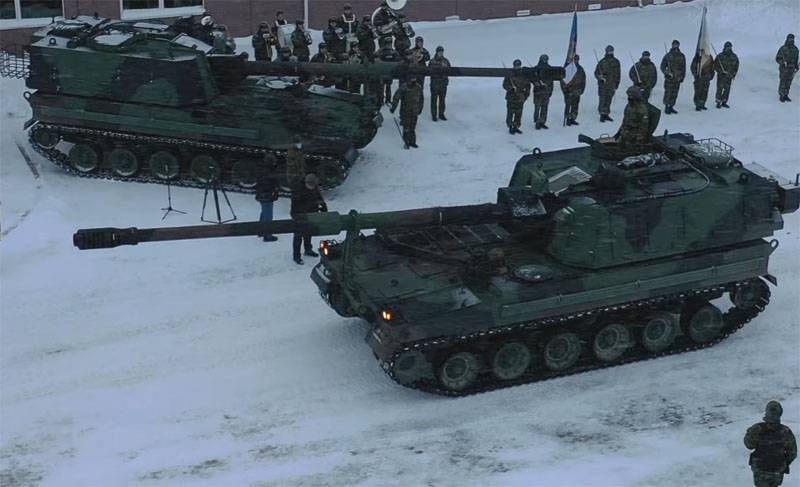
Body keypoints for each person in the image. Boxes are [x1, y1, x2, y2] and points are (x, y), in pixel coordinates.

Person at [744, 401, 796, 487]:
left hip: (760, 470)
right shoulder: (786, 431)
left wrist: (750, 433)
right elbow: (793, 453)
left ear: (767, 412)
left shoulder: (757, 428)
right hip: (777, 471)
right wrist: (783, 463)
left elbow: (749, 445)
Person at [291, 174, 327, 265]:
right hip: (299, 215)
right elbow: (295, 206)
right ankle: (296, 256)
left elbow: (320, 199)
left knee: (308, 232)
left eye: (313, 186)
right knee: (298, 236)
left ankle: (308, 249)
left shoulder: (314, 188)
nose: (312, 187)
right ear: (306, 183)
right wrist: (298, 216)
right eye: (310, 185)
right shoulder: (298, 190)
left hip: (312, 214)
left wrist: (323, 207)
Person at [617, 86, 651, 154]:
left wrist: (639, 139)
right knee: (620, 146)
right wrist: (619, 131)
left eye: (631, 97)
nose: (629, 98)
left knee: (631, 151)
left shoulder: (642, 109)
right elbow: (625, 120)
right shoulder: (629, 106)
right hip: (626, 131)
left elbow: (643, 127)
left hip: (635, 134)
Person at [390, 78, 423, 149]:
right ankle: (406, 142)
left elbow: (421, 99)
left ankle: (412, 142)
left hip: (415, 111)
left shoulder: (418, 87)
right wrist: (393, 108)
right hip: (405, 111)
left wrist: (420, 108)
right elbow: (396, 97)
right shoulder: (404, 87)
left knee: (413, 127)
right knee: (406, 127)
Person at [255, 155, 279, 242]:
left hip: (262, 194)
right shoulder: (269, 172)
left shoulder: (262, 170)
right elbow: (269, 184)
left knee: (264, 212)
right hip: (267, 195)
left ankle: (261, 230)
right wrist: (274, 191)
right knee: (268, 215)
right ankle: (267, 234)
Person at [503, 59, 531, 134]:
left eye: (518, 66)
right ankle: (510, 126)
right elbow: (505, 85)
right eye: (516, 66)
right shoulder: (509, 75)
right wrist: (511, 89)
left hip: (520, 98)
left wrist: (526, 95)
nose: (517, 67)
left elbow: (528, 86)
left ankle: (516, 126)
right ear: (514, 66)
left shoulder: (524, 75)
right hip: (511, 97)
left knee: (518, 114)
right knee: (510, 113)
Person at [594, 45, 621, 122]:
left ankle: (606, 114)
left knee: (609, 99)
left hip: (612, 84)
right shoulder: (602, 62)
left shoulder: (616, 62)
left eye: (611, 51)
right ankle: (602, 114)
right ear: (606, 51)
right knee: (603, 99)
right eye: (609, 51)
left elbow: (618, 73)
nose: (610, 52)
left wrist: (617, 83)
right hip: (603, 85)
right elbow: (596, 73)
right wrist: (600, 77)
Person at [660, 40, 686, 114]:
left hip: (677, 78)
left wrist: (682, 77)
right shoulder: (668, 56)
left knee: (675, 93)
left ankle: (671, 106)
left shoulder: (682, 56)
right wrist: (667, 73)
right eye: (674, 45)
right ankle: (666, 107)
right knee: (668, 92)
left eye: (677, 45)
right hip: (669, 79)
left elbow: (683, 67)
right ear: (672, 45)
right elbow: (662, 66)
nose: (675, 46)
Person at [561, 54, 586, 126]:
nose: (576, 61)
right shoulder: (567, 68)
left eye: (577, 59)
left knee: (575, 105)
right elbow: (562, 80)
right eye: (575, 59)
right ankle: (567, 119)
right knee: (568, 105)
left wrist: (582, 89)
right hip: (569, 91)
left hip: (577, 91)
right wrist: (564, 90)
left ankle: (573, 118)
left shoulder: (580, 69)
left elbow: (583, 80)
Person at [375, 36, 400, 105]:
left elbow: (398, 60)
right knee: (381, 87)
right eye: (387, 43)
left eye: (389, 43)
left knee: (388, 87)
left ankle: (388, 100)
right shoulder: (380, 51)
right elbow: (375, 58)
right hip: (382, 72)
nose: (388, 45)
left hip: (390, 72)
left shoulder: (394, 52)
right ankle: (380, 100)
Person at [714, 41, 739, 108]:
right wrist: (720, 72)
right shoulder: (720, 56)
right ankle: (718, 101)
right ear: (724, 47)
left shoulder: (734, 57)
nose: (728, 49)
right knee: (719, 89)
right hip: (721, 76)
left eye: (729, 47)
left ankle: (724, 101)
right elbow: (715, 65)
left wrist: (733, 75)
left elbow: (736, 67)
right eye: (727, 47)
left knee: (727, 90)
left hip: (729, 77)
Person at [409, 36, 431, 114]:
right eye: (419, 42)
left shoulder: (424, 51)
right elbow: (409, 57)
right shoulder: (412, 50)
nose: (420, 44)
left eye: (421, 42)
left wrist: (422, 56)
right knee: (412, 88)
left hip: (421, 73)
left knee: (420, 89)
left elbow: (428, 57)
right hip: (414, 72)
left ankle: (420, 106)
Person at [429, 46, 450, 121]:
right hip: (435, 83)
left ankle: (441, 114)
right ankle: (434, 115)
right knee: (434, 100)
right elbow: (430, 71)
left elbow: (450, 71)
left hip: (443, 83)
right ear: (437, 52)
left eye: (442, 52)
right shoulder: (432, 61)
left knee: (442, 100)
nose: (441, 53)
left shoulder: (446, 61)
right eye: (439, 52)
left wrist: (445, 69)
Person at [533, 54, 554, 130]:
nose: (545, 61)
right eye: (543, 59)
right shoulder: (535, 69)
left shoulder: (550, 69)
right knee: (537, 108)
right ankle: (537, 122)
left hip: (546, 92)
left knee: (544, 108)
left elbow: (551, 81)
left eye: (546, 59)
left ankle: (542, 122)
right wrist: (537, 83)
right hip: (538, 92)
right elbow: (532, 79)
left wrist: (550, 91)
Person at [776, 33, 798, 102]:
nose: (791, 40)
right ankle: (781, 95)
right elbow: (777, 58)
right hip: (784, 69)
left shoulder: (796, 49)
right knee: (783, 82)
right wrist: (782, 62)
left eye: (792, 39)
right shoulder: (783, 48)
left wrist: (796, 66)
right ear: (787, 39)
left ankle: (786, 95)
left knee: (788, 82)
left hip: (791, 69)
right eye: (790, 39)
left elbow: (796, 59)